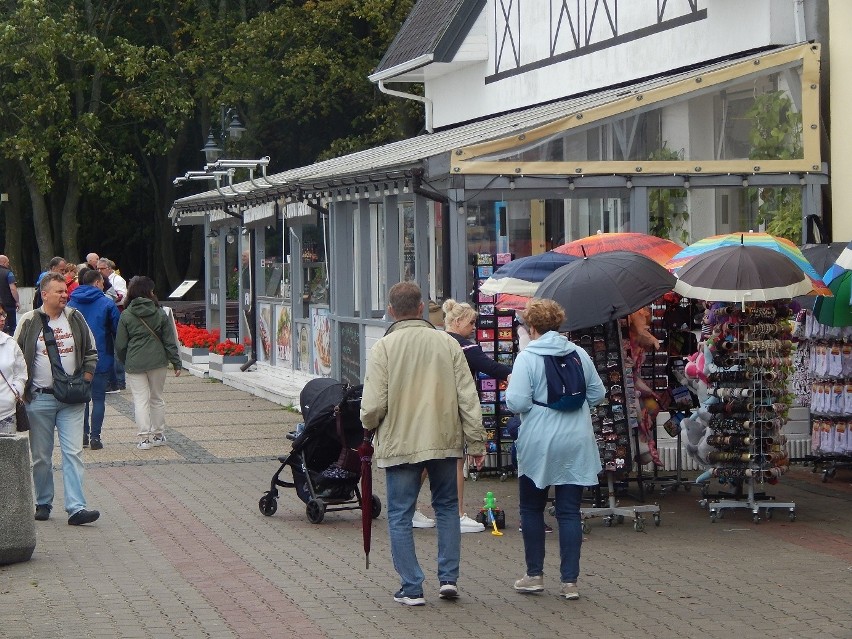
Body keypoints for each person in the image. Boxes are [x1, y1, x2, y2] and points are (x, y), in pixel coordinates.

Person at [360, 282, 485, 606]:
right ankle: (448, 579)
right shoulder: (447, 344)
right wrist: (475, 443)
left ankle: (412, 586)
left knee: (400, 514)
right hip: (444, 441)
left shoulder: (383, 348)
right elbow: (467, 398)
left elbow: (373, 405)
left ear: (391, 311)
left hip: (401, 443)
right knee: (446, 508)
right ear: (420, 308)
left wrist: (368, 429)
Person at [505, 298, 606, 600]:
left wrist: (513, 387)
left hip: (539, 440)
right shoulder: (578, 353)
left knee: (531, 507)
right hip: (576, 439)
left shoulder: (526, 357)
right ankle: (570, 582)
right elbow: (599, 393)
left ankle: (534, 575)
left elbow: (518, 403)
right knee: (569, 511)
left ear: (531, 327)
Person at [15, 272, 100, 525]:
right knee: (41, 456)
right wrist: (22, 389)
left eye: (65, 291)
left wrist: (85, 378)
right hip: (39, 399)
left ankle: (76, 508)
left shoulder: (75, 318)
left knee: (73, 452)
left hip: (72, 399)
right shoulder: (29, 321)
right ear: (44, 294)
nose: (65, 295)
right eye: (59, 291)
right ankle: (43, 502)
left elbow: (91, 350)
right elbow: (17, 358)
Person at [442, 298, 513, 533]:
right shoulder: (465, 347)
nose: (474, 328)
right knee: (456, 458)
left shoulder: (436, 341)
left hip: (433, 406)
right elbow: (491, 367)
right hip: (455, 408)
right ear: (458, 321)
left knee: (428, 460)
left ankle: (410, 511)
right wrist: (516, 374)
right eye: (471, 323)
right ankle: (457, 514)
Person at [115, 276, 181, 450]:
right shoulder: (159, 312)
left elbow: (120, 344)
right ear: (148, 292)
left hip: (135, 363)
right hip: (158, 361)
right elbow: (169, 340)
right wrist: (176, 362)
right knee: (157, 398)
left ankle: (144, 438)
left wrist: (125, 361)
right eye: (152, 290)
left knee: (140, 401)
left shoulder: (127, 314)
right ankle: (159, 434)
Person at [68, 268, 121, 450]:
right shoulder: (107, 303)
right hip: (101, 356)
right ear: (98, 282)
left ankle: (82, 435)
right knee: (98, 399)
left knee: (82, 399)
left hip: (76, 358)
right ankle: (95, 438)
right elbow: (117, 330)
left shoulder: (70, 302)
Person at [98, 258, 127, 391]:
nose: (99, 271)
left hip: (116, 314)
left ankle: (120, 380)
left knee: (117, 348)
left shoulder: (117, 280)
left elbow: (122, 297)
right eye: (97, 268)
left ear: (109, 268)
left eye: (102, 268)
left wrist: (109, 298)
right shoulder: (100, 280)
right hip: (106, 315)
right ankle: (111, 379)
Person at [0, 309, 27, 435]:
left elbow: (21, 373)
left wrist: (15, 392)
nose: (2, 319)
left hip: (6, 414)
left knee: (7, 454)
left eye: (2, 314)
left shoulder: (10, 343)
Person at [0, 255, 21, 335]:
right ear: (4, 263)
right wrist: (17, 301)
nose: (8, 264)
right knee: (12, 327)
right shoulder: (8, 273)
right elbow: (13, 289)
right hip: (8, 305)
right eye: (8, 263)